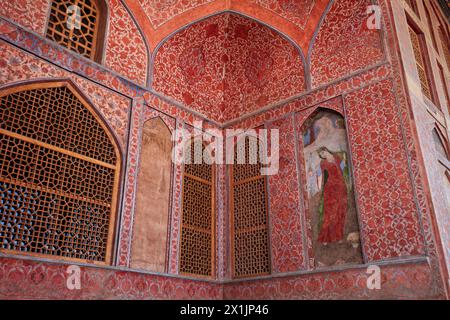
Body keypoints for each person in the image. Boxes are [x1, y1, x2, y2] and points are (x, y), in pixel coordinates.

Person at [317, 147, 348, 244]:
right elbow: (319, 175)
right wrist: (319, 188)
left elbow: (345, 171)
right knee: (330, 212)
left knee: (340, 210)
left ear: (326, 150)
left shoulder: (338, 158)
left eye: (323, 152)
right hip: (330, 188)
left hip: (341, 186)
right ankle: (325, 238)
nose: (323, 155)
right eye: (321, 154)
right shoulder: (323, 164)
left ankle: (338, 236)